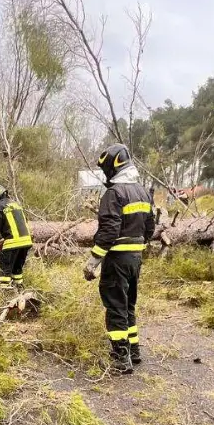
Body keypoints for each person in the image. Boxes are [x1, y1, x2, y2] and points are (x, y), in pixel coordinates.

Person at [82, 143, 153, 374]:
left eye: (105, 170)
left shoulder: (114, 193)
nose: (105, 174)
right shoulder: (142, 191)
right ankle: (133, 351)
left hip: (117, 260)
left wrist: (93, 261)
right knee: (128, 304)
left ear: (113, 166)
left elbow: (109, 231)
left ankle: (121, 359)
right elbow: (150, 227)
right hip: (135, 259)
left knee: (115, 306)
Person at [0, 184, 33, 288]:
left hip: (12, 243)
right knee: (17, 270)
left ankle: (4, 294)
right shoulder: (16, 204)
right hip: (26, 242)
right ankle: (19, 291)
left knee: (4, 272)